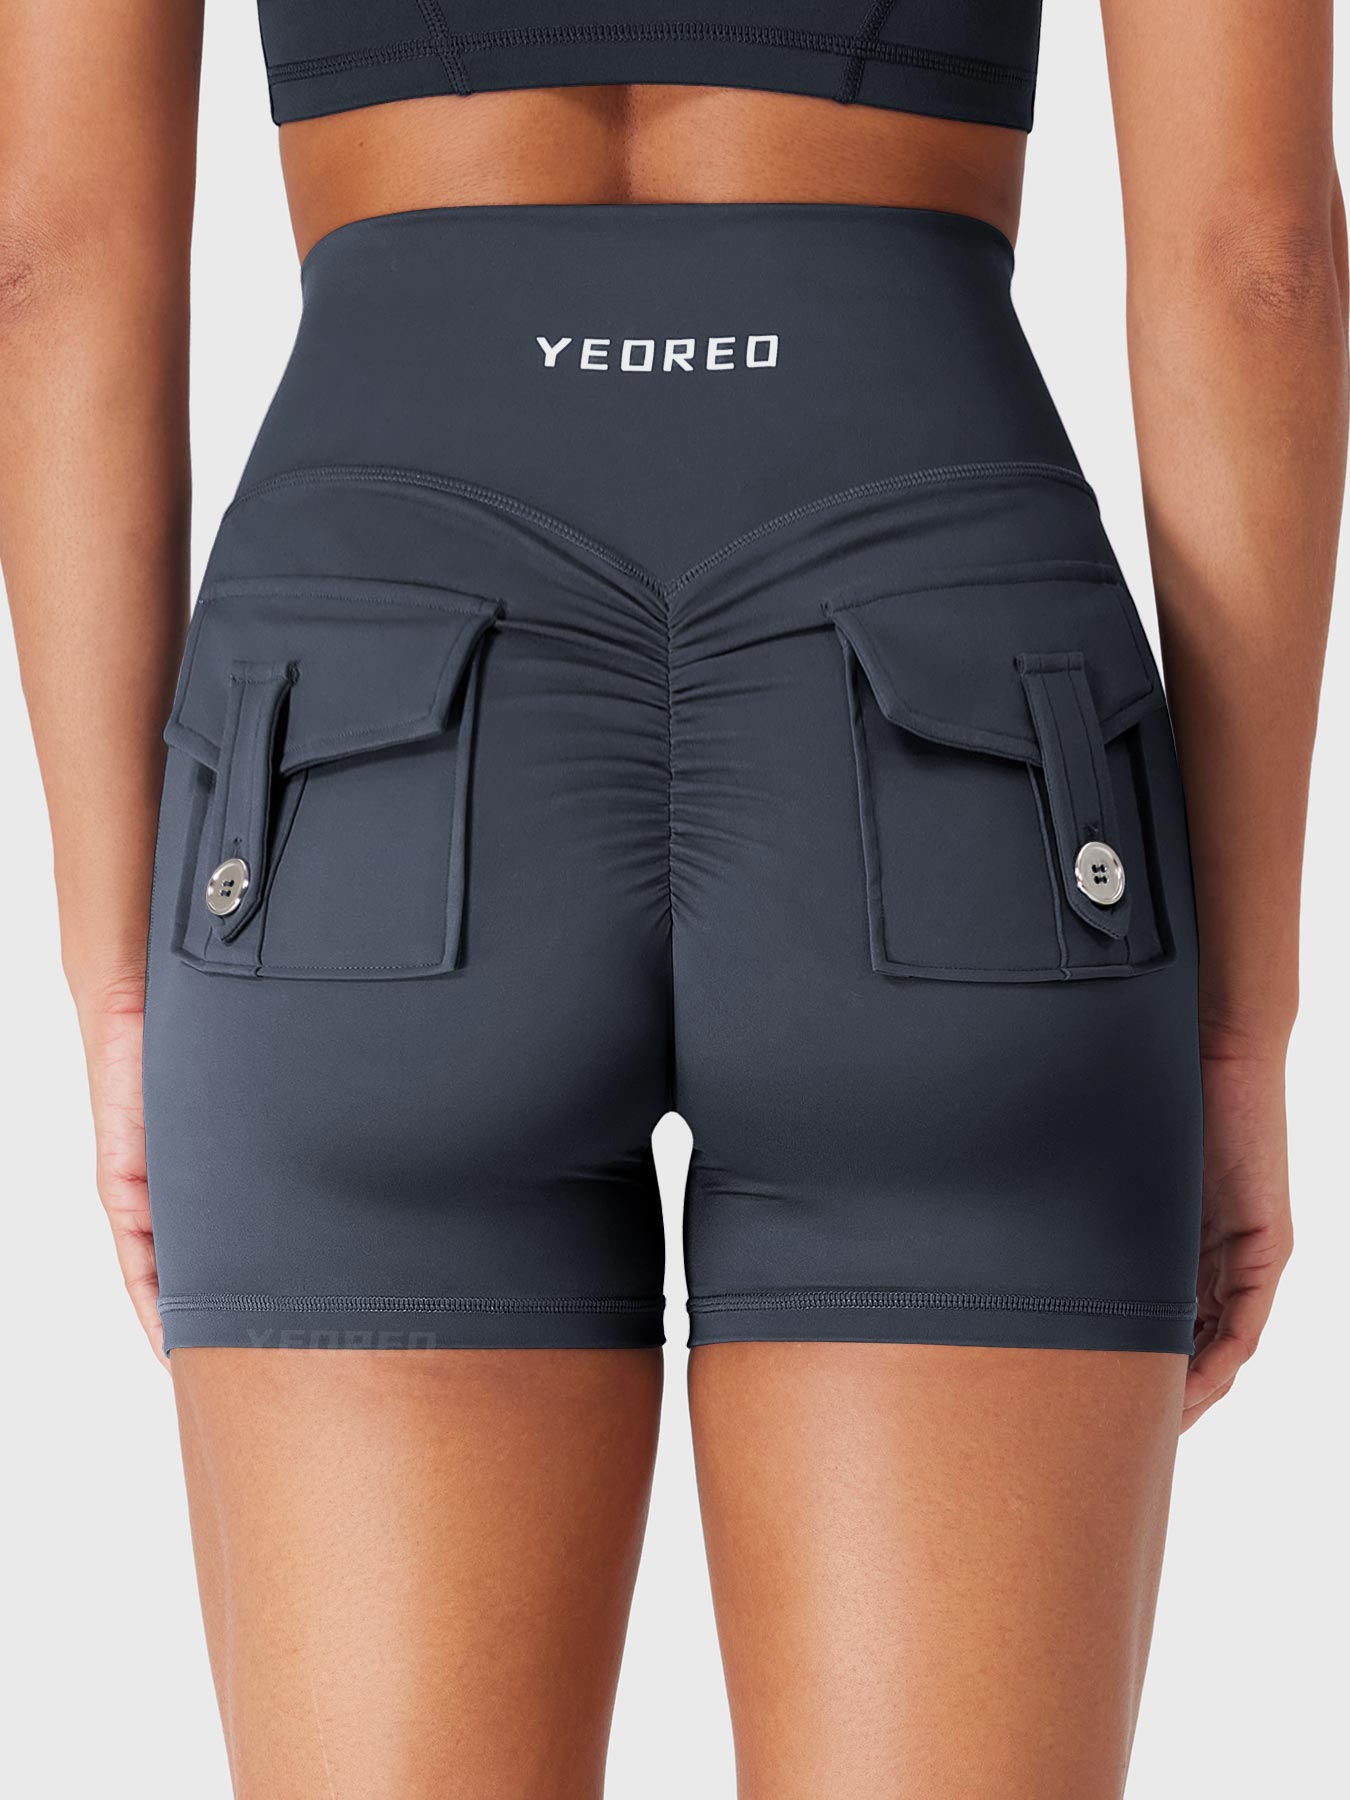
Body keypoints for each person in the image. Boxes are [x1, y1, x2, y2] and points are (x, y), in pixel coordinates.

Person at [1, 3, 1344, 1795]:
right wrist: (1240, 1013)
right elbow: (1256, 262)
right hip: (951, 719)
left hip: (362, 730)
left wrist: (120, 982)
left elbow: (44, 269)